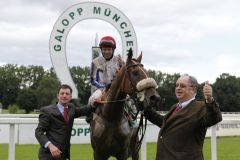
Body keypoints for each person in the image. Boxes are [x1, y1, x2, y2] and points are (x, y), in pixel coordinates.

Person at [143, 74, 222, 160]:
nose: (178, 88)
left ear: (193, 89)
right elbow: (165, 124)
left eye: (182, 86)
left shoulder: (201, 107)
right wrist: (146, 109)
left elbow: (215, 118)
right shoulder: (175, 107)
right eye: (177, 85)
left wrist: (209, 100)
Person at [35, 84, 95, 160]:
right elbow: (38, 132)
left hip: (63, 155)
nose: (64, 96)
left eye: (67, 94)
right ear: (58, 96)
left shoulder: (71, 108)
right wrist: (50, 146)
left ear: (70, 97)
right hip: (48, 155)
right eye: (62, 93)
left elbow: (84, 110)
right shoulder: (47, 111)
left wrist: (95, 103)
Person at [88, 36, 137, 125]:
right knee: (92, 99)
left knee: (129, 101)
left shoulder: (119, 61)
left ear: (113, 50)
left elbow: (124, 76)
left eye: (109, 49)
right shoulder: (94, 62)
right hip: (101, 89)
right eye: (104, 49)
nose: (106, 51)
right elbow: (92, 80)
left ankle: (132, 119)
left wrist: (123, 63)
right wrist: (104, 89)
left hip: (117, 89)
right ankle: (90, 117)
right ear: (101, 50)